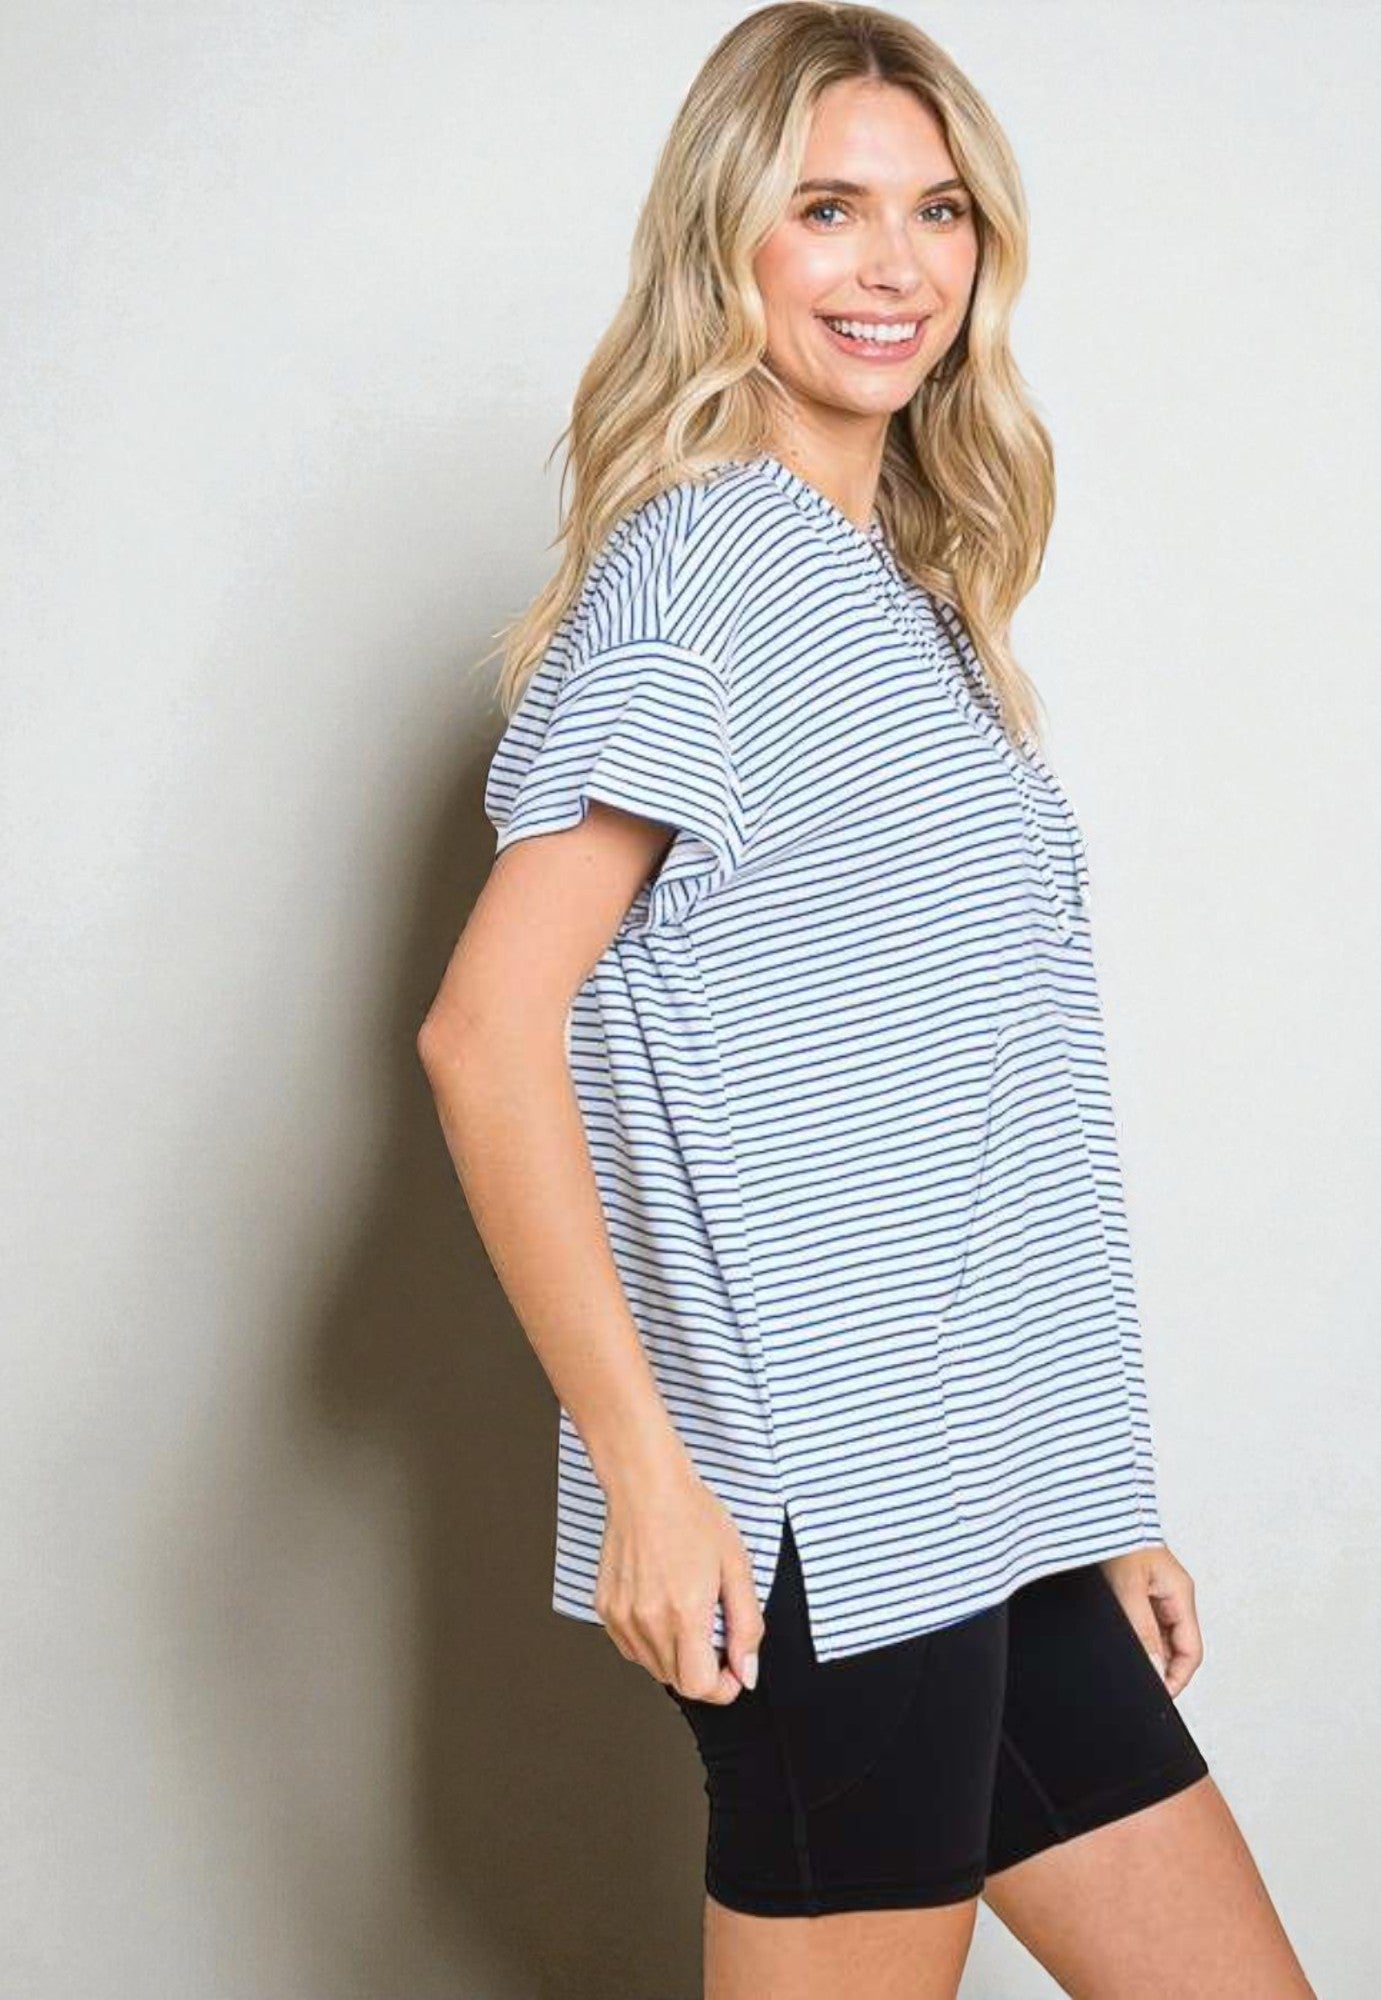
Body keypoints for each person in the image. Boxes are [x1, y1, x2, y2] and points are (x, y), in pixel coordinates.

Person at [419, 5, 1316, 1995]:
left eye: (935, 212)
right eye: (826, 209)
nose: (892, 265)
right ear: (725, 242)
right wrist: (651, 1479)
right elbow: (485, 1031)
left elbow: (964, 1095)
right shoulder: (707, 573)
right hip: (811, 1512)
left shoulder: (894, 594)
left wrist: (1081, 1498)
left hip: (969, 1495)